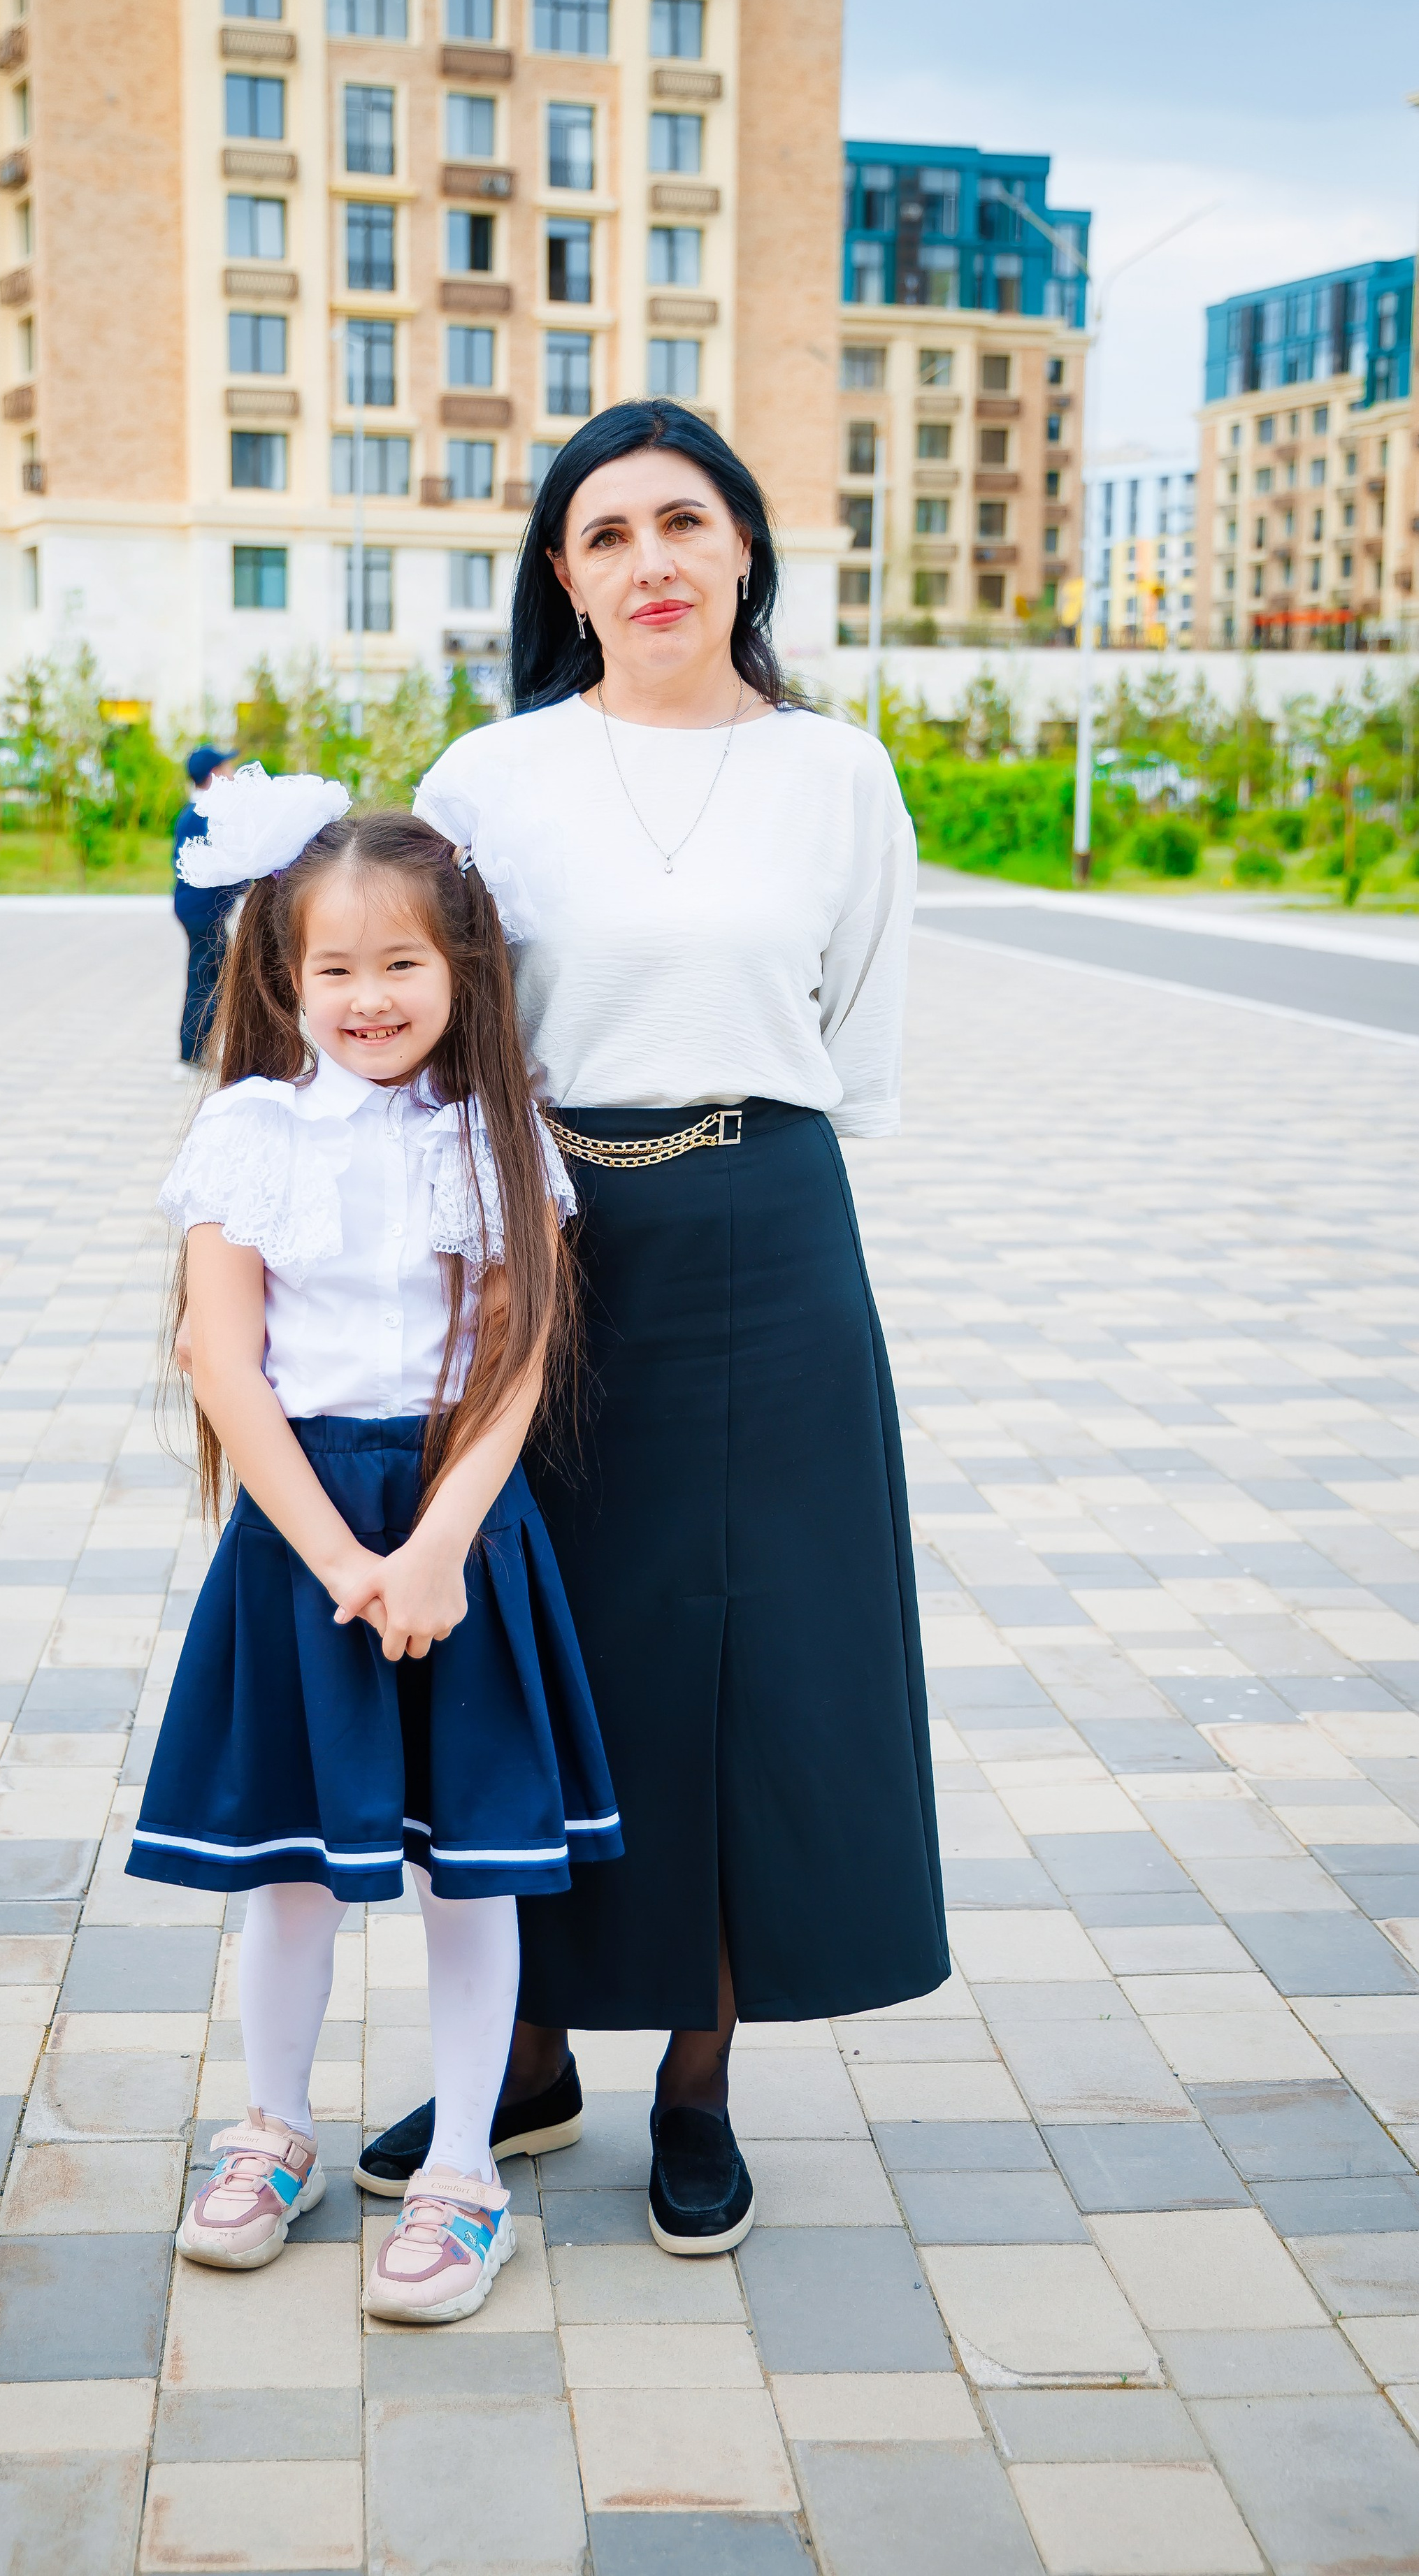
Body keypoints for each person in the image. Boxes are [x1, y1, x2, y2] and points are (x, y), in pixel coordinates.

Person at [352, 398, 950, 2256]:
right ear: (565, 577)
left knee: (749, 1665)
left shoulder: (839, 775)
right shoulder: (492, 774)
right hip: (543, 1238)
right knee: (540, 1646)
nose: (653, 562)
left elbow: (856, 1042)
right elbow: (428, 1028)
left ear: (747, 549)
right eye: (608, 535)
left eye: (686, 522)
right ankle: (523, 2058)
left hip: (770, 1239)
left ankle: (697, 2077)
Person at [129, 774, 620, 2325]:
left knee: (467, 1877)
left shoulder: (498, 1141)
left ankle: (464, 2171)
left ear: (461, 969)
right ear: (280, 974)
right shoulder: (248, 1132)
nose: (365, 996)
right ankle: (273, 2129)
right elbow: (225, 1366)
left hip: (460, 1530)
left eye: (399, 964)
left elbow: (516, 1357)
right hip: (299, 1539)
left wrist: (434, 1548)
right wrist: (341, 1559)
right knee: (285, 1877)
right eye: (331, 968)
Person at [173, 744, 245, 1066]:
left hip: (199, 909)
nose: (233, 774)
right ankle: (191, 1053)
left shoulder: (197, 811)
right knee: (207, 979)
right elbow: (225, 865)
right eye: (228, 768)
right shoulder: (205, 814)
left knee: (209, 976)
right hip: (204, 912)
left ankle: (197, 1050)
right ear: (214, 775)